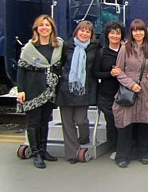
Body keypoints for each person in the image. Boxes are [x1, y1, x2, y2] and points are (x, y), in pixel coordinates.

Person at [112, 19, 148, 168]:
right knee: (126, 125)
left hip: (146, 91)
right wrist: (131, 84)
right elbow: (118, 71)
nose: (137, 33)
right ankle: (122, 156)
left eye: (140, 30)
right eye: (134, 30)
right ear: (131, 32)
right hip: (128, 91)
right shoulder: (124, 48)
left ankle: (144, 153)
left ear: (144, 32)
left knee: (144, 124)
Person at [16, 15, 63, 168]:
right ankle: (35, 153)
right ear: (36, 29)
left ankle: (43, 150)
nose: (44, 28)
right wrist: (21, 90)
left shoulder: (58, 45)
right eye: (41, 25)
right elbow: (21, 70)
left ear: (52, 28)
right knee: (33, 122)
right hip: (32, 88)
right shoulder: (29, 48)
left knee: (44, 121)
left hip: (49, 89)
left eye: (47, 25)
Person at [56, 20, 101, 164]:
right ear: (76, 31)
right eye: (82, 30)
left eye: (88, 31)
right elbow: (60, 64)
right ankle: (71, 153)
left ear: (91, 34)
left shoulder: (95, 47)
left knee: (81, 120)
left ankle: (84, 138)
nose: (84, 33)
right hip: (66, 88)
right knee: (67, 122)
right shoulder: (67, 46)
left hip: (84, 90)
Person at [94, 21, 125, 161]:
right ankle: (114, 148)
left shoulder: (126, 51)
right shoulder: (101, 52)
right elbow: (95, 73)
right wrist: (110, 74)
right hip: (107, 94)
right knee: (111, 123)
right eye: (112, 32)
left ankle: (125, 147)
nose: (115, 35)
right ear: (107, 35)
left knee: (125, 123)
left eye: (118, 33)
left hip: (125, 93)